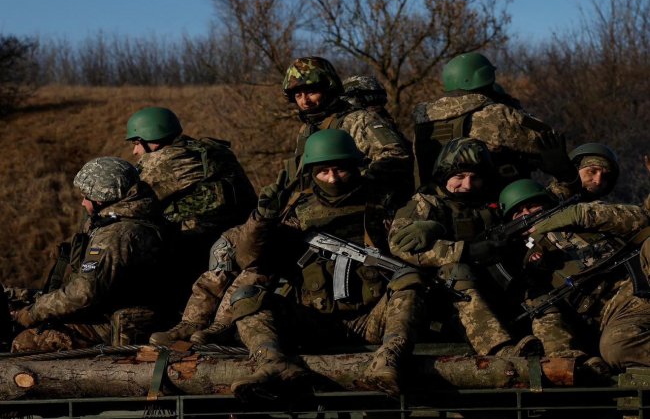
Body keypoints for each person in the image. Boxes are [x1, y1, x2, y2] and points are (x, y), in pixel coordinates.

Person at [228, 129, 426, 398]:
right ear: (311, 173)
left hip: (372, 320)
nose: (332, 179)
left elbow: (410, 253)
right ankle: (272, 363)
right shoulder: (295, 212)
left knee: (409, 281)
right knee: (247, 297)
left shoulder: (382, 206)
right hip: (313, 322)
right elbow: (248, 258)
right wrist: (262, 219)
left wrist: (427, 228)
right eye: (323, 172)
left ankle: (389, 359)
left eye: (340, 170)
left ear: (355, 167)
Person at [388, 137, 541, 357]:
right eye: (459, 177)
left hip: (494, 290)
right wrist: (464, 251)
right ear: (444, 175)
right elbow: (401, 245)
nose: (467, 185)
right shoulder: (425, 203)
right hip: (442, 297)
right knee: (457, 271)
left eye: (475, 178)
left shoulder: (492, 203)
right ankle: (500, 350)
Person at [10, 157, 167, 352]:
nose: (83, 202)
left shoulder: (115, 235)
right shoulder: (136, 216)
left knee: (25, 342)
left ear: (101, 197)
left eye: (87, 196)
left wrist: (34, 312)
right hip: (110, 310)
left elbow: (83, 293)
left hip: (113, 323)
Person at [499, 179, 650, 372]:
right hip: (618, 312)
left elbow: (642, 219)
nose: (527, 214)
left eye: (532, 206)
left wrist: (577, 215)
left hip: (639, 277)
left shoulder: (579, 215)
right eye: (518, 213)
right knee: (616, 348)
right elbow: (544, 316)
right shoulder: (523, 260)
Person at [125, 106, 257, 303]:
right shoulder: (214, 150)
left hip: (195, 249)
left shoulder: (164, 161)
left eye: (137, 143)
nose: (135, 151)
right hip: (242, 240)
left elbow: (129, 204)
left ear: (152, 139)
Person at [412, 52, 574, 191]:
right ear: (485, 78)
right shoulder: (492, 114)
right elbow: (548, 138)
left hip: (435, 202)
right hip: (490, 203)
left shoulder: (425, 120)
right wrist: (512, 108)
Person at [282, 57, 414, 207]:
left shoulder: (357, 120)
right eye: (298, 95)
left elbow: (396, 155)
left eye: (311, 92)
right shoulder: (307, 130)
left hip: (361, 207)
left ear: (328, 88)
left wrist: (357, 183)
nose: (305, 101)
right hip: (316, 209)